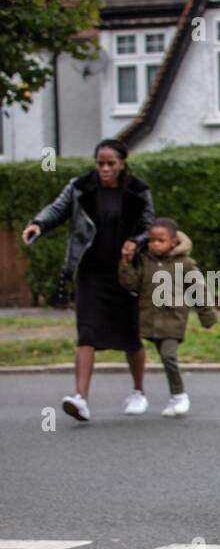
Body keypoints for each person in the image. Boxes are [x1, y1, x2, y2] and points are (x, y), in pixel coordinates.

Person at [23, 138, 154, 422]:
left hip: (125, 272)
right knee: (87, 333)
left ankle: (138, 392)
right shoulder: (80, 187)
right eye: (100, 163)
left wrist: (136, 241)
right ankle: (80, 399)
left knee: (131, 334)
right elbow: (56, 210)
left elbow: (149, 226)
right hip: (91, 272)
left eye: (111, 164)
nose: (105, 169)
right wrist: (38, 224)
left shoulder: (138, 190)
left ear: (122, 164)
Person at [117, 217, 218, 417]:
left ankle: (179, 396)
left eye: (161, 240)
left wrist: (207, 317)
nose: (155, 244)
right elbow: (131, 284)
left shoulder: (185, 263)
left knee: (168, 356)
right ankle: (139, 395)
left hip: (173, 320)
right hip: (148, 319)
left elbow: (198, 290)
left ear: (173, 241)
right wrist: (125, 263)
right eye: (152, 240)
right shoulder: (145, 260)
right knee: (136, 350)